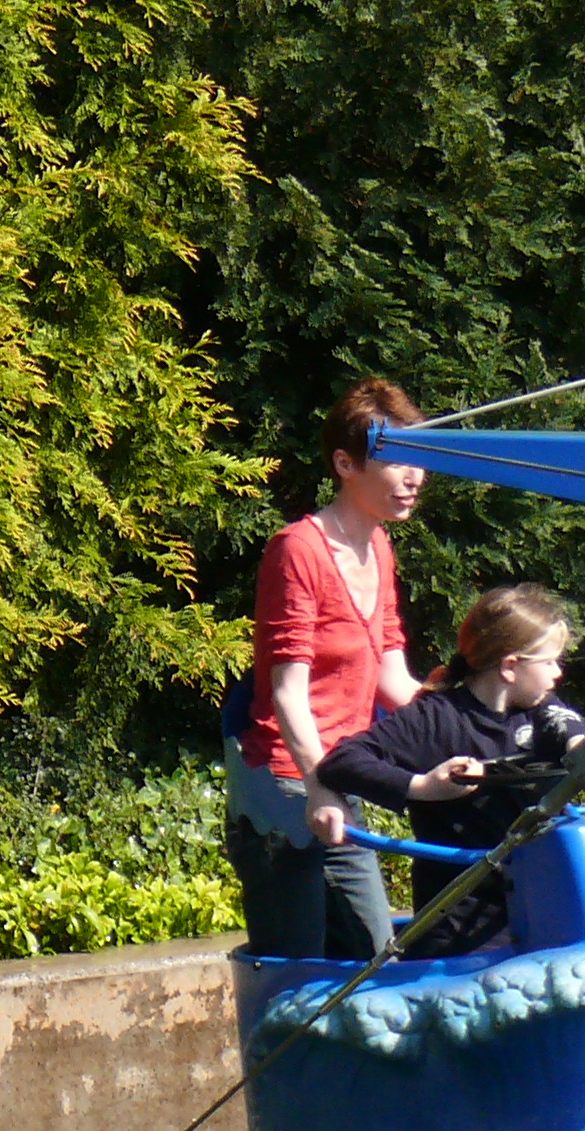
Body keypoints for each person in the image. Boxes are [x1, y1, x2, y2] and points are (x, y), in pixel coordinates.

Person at [227, 379, 431, 963]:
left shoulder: (379, 546)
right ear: (345, 464)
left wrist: (468, 725)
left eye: (419, 461)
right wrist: (318, 784)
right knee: (296, 975)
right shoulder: (298, 550)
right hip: (285, 788)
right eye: (397, 462)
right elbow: (286, 693)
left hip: (338, 779)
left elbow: (394, 679)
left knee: (375, 958)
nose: (415, 477)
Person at [312, 585, 585, 954]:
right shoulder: (433, 718)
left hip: (536, 914)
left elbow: (567, 726)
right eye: (550, 661)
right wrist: (422, 786)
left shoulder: (540, 709)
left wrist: (582, 747)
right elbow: (342, 761)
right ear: (510, 667)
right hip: (459, 932)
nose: (558, 673)